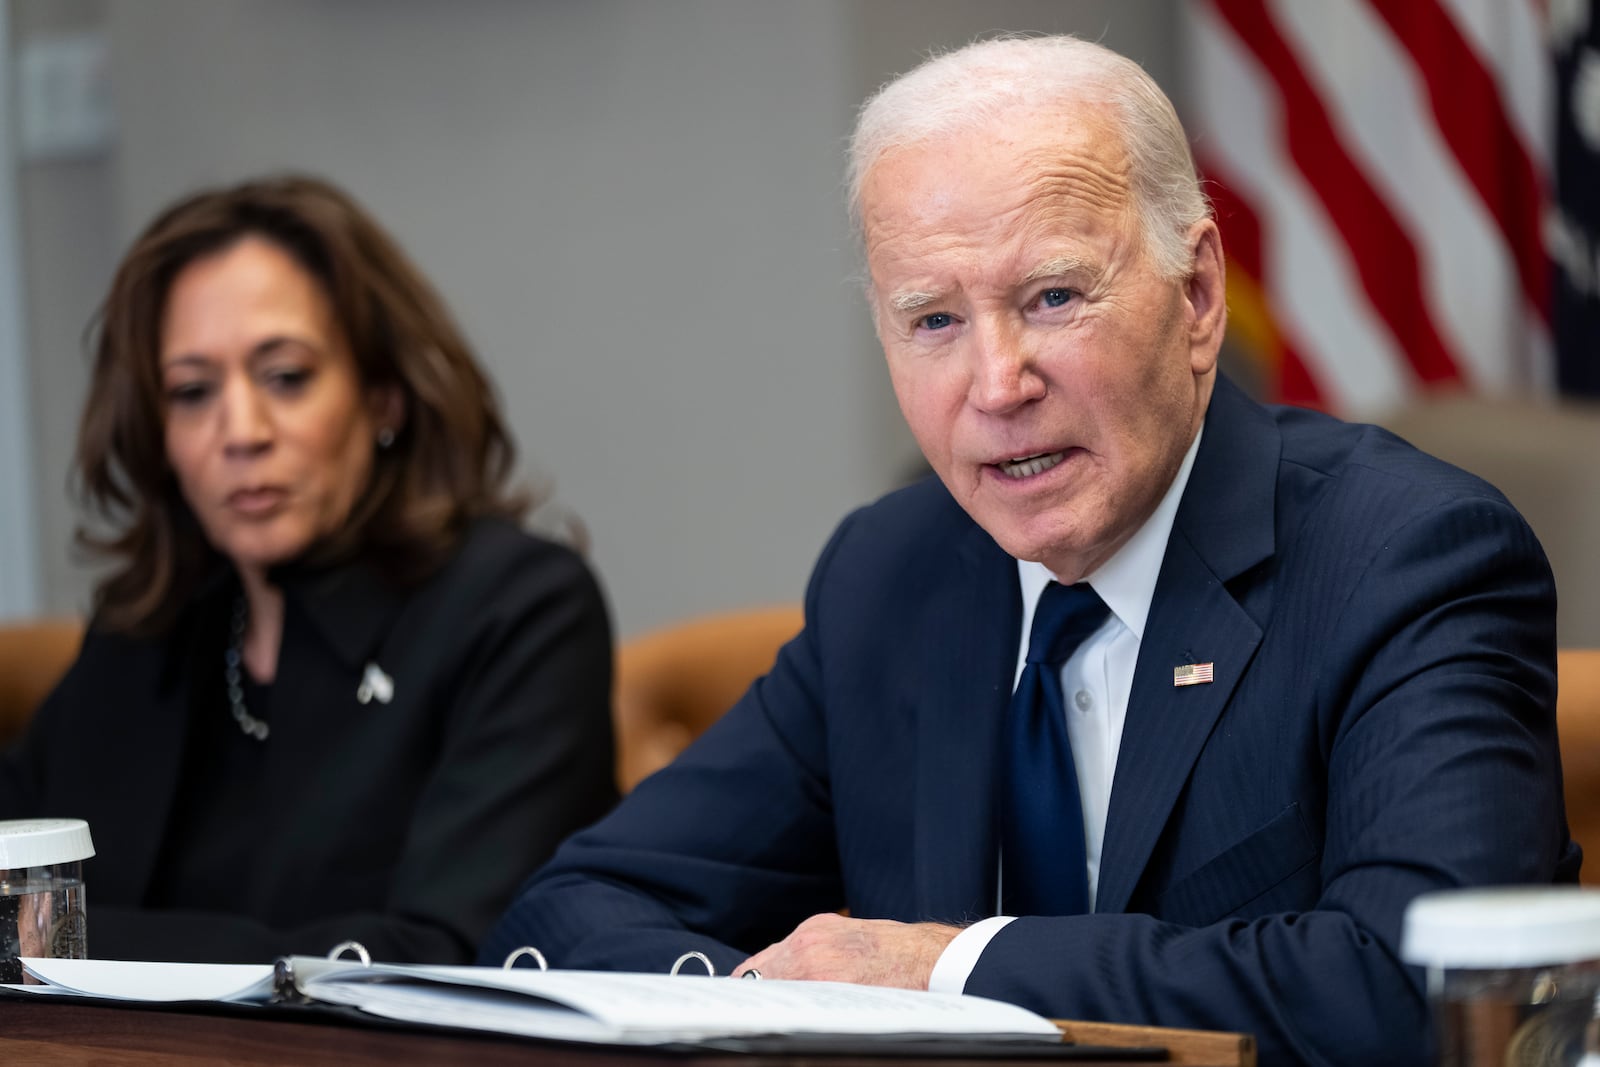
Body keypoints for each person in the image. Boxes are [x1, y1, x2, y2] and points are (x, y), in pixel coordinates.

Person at [479, 35, 1579, 1064]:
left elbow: (1422, 992)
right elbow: (572, 906)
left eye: (1052, 297)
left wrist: (950, 968)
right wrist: (791, 1017)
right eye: (933, 321)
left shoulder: (1406, 555)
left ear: (1196, 294)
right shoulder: (893, 573)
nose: (996, 384)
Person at [0, 175, 617, 965]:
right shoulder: (147, 628)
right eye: (192, 392)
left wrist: (60, 944)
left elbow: (444, 955)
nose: (241, 431)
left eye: (285, 376)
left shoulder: (520, 608)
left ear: (384, 397)